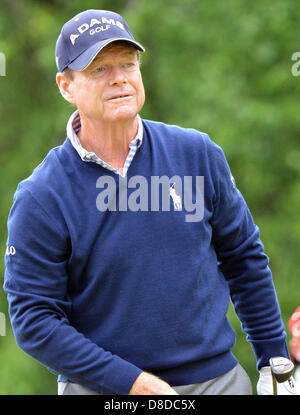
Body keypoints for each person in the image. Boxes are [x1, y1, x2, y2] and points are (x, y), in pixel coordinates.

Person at [3, 9, 298, 395]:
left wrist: (274, 360)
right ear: (66, 86)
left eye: (128, 63)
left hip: (218, 383)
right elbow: (33, 319)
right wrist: (133, 384)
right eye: (99, 69)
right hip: (104, 391)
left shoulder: (197, 154)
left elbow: (243, 258)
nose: (120, 78)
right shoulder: (42, 194)